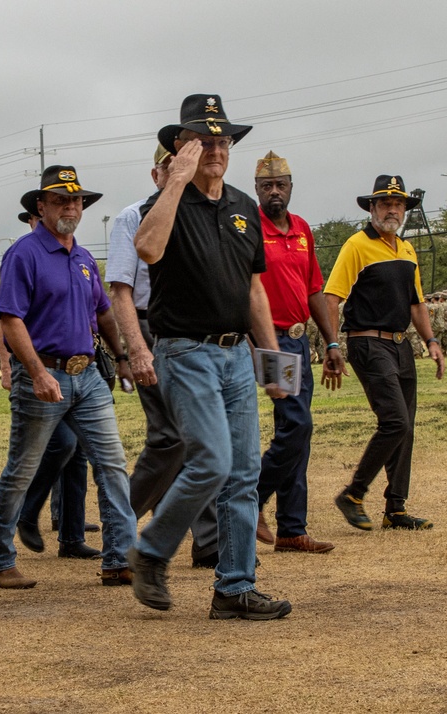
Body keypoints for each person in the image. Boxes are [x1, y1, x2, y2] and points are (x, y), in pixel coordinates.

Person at [130, 94, 292, 620]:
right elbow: (147, 250)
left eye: (222, 139)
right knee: (214, 461)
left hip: (236, 356)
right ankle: (152, 551)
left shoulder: (244, 207)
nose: (216, 148)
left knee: (243, 474)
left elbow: (253, 291)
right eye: (203, 139)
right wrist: (176, 180)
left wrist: (271, 361)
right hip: (185, 351)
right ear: (182, 147)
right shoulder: (167, 202)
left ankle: (234, 588)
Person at [0, 165, 138, 589]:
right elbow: (10, 320)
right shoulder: (24, 253)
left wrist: (122, 357)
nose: (70, 206)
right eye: (60, 200)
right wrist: (35, 372)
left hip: (87, 375)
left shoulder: (84, 257)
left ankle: (119, 560)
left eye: (76, 200)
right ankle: (0, 560)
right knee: (22, 469)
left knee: (112, 465)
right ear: (41, 206)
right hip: (44, 376)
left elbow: (104, 311)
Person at [105, 143, 219, 569]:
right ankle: (123, 522)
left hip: (195, 328)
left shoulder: (206, 212)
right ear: (156, 174)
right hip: (150, 325)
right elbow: (120, 289)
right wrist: (135, 347)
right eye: (172, 169)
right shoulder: (131, 217)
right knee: (171, 436)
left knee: (204, 437)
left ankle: (207, 540)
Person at [325, 175, 444, 532]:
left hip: (400, 343)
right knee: (395, 421)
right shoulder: (356, 246)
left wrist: (432, 341)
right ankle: (354, 493)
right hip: (367, 342)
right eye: (385, 203)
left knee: (405, 429)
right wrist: (333, 345)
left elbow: (416, 302)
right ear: (372, 207)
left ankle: (396, 509)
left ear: (405, 209)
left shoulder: (406, 250)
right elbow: (332, 297)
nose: (393, 209)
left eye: (399, 204)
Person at [252, 151, 341, 554]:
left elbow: (314, 289)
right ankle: (252, 497)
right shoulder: (250, 226)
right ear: (257, 190)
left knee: (298, 434)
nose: (275, 191)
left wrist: (333, 342)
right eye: (267, 185)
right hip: (269, 340)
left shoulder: (303, 228)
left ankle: (291, 528)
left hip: (300, 340)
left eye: (281, 185)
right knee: (296, 424)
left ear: (290, 188)